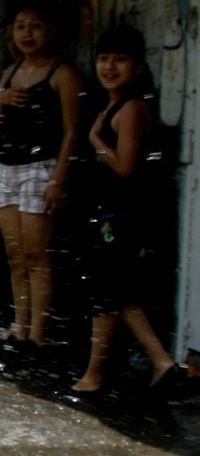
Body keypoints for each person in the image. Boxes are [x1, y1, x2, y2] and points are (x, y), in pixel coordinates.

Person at [70, 25, 184, 399]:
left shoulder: (131, 109)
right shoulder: (112, 106)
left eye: (120, 60)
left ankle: (94, 373)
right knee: (118, 294)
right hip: (110, 213)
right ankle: (162, 362)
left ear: (137, 68)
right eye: (103, 59)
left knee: (106, 294)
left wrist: (95, 140)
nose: (109, 67)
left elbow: (125, 166)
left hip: (122, 215)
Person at [0, 8, 84, 348]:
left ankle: (38, 336)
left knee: (36, 255)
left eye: (36, 27)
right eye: (21, 27)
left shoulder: (61, 73)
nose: (27, 34)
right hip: (8, 169)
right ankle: (20, 326)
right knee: (15, 256)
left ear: (51, 30)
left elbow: (72, 130)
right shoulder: (11, 72)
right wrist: (0, 100)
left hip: (41, 168)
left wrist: (58, 180)